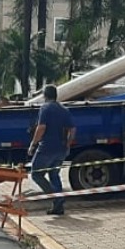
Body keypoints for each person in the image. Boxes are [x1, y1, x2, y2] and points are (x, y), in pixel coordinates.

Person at [27, 84, 75, 216]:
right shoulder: (64, 110)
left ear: (44, 96)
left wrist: (33, 144)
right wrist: (68, 143)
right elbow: (73, 129)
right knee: (54, 174)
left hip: (47, 148)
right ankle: (58, 207)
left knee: (36, 174)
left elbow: (41, 127)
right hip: (61, 149)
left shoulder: (45, 108)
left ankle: (57, 198)